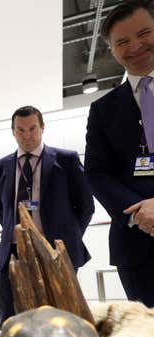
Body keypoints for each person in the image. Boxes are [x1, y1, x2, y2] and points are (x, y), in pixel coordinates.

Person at [0, 105, 94, 326]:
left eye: (32, 128)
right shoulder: (0, 167)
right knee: (11, 318)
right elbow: (1, 209)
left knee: (63, 316)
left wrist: (68, 236)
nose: (27, 135)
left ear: (42, 128)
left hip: (56, 251)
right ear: (13, 131)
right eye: (20, 130)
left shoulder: (66, 160)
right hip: (14, 252)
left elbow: (85, 206)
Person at [85, 0, 154, 307]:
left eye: (144, 33)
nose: (136, 46)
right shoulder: (103, 110)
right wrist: (140, 212)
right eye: (122, 42)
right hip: (137, 245)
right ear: (112, 50)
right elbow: (97, 172)